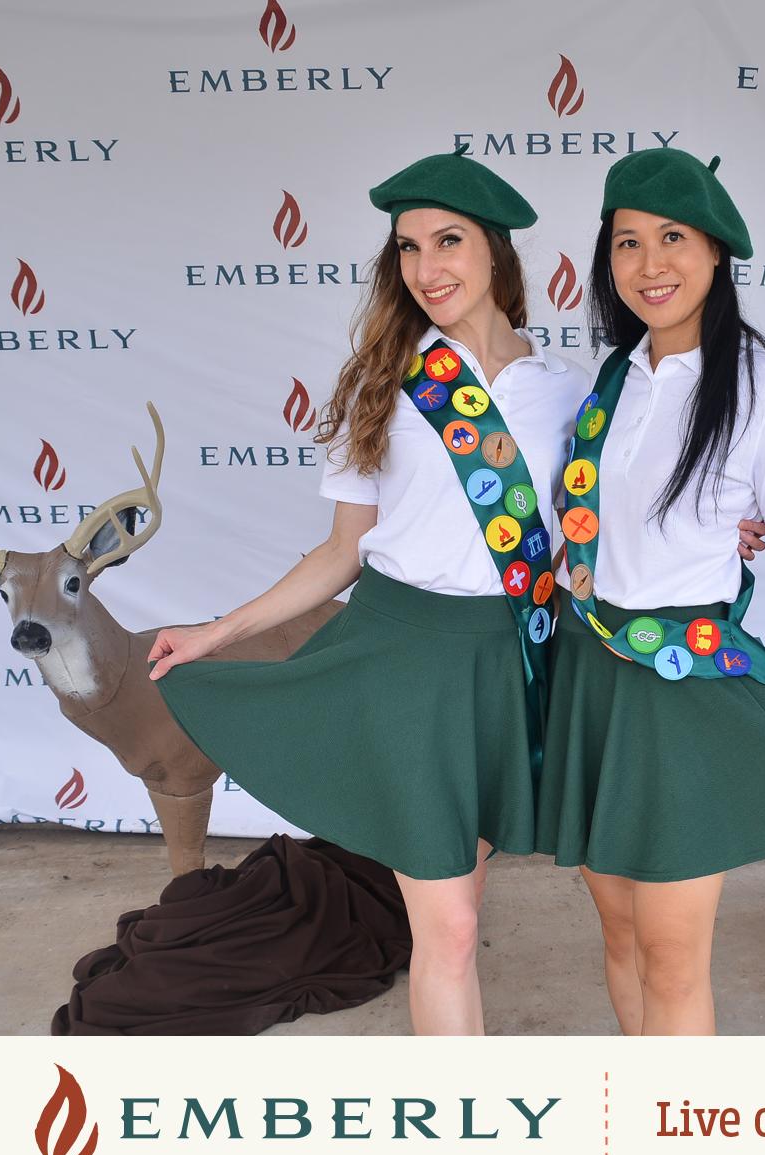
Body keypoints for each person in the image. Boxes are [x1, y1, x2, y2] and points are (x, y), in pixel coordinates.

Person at [147, 151, 589, 1035]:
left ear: (497, 253)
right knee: (452, 929)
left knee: (469, 904)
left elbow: (597, 537)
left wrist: (721, 534)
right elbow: (343, 552)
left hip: (517, 668)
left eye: (449, 240)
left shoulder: (570, 392)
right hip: (405, 665)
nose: (428, 268)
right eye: (408, 247)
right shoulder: (386, 384)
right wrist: (217, 631)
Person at [536, 148, 765, 1035]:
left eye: (672, 238)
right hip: (591, 678)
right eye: (626, 243)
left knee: (671, 957)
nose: (648, 263)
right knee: (621, 934)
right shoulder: (612, 380)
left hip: (679, 696)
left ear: (716, 254)